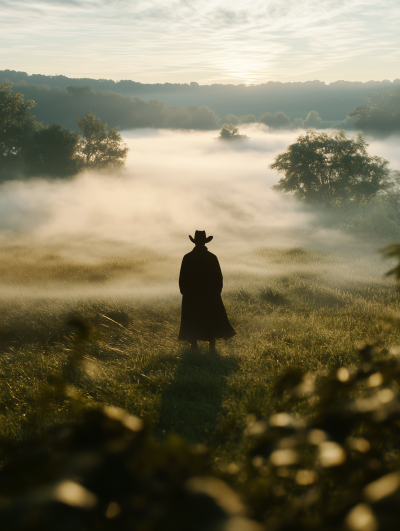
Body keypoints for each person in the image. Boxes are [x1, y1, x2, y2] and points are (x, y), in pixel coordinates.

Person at [178, 230, 236, 350]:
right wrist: (216, 292)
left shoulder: (188, 257)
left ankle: (194, 346)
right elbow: (218, 277)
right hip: (209, 295)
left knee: (193, 319)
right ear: (205, 242)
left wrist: (184, 292)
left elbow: (183, 277)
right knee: (209, 319)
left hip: (192, 296)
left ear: (194, 242)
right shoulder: (212, 257)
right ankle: (212, 347)